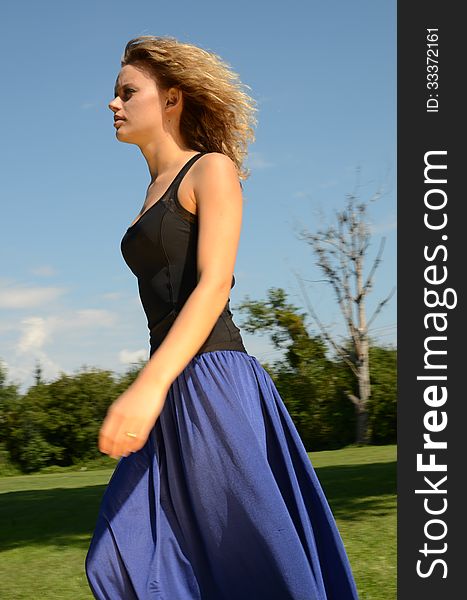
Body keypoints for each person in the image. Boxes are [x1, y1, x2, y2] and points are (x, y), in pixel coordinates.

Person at [85, 35, 359, 600]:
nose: (113, 104)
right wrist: (158, 386)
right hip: (172, 389)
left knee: (251, 556)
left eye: (127, 92)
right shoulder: (151, 191)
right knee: (120, 553)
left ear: (172, 99)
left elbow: (213, 286)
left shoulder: (211, 170)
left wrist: (148, 385)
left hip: (213, 380)